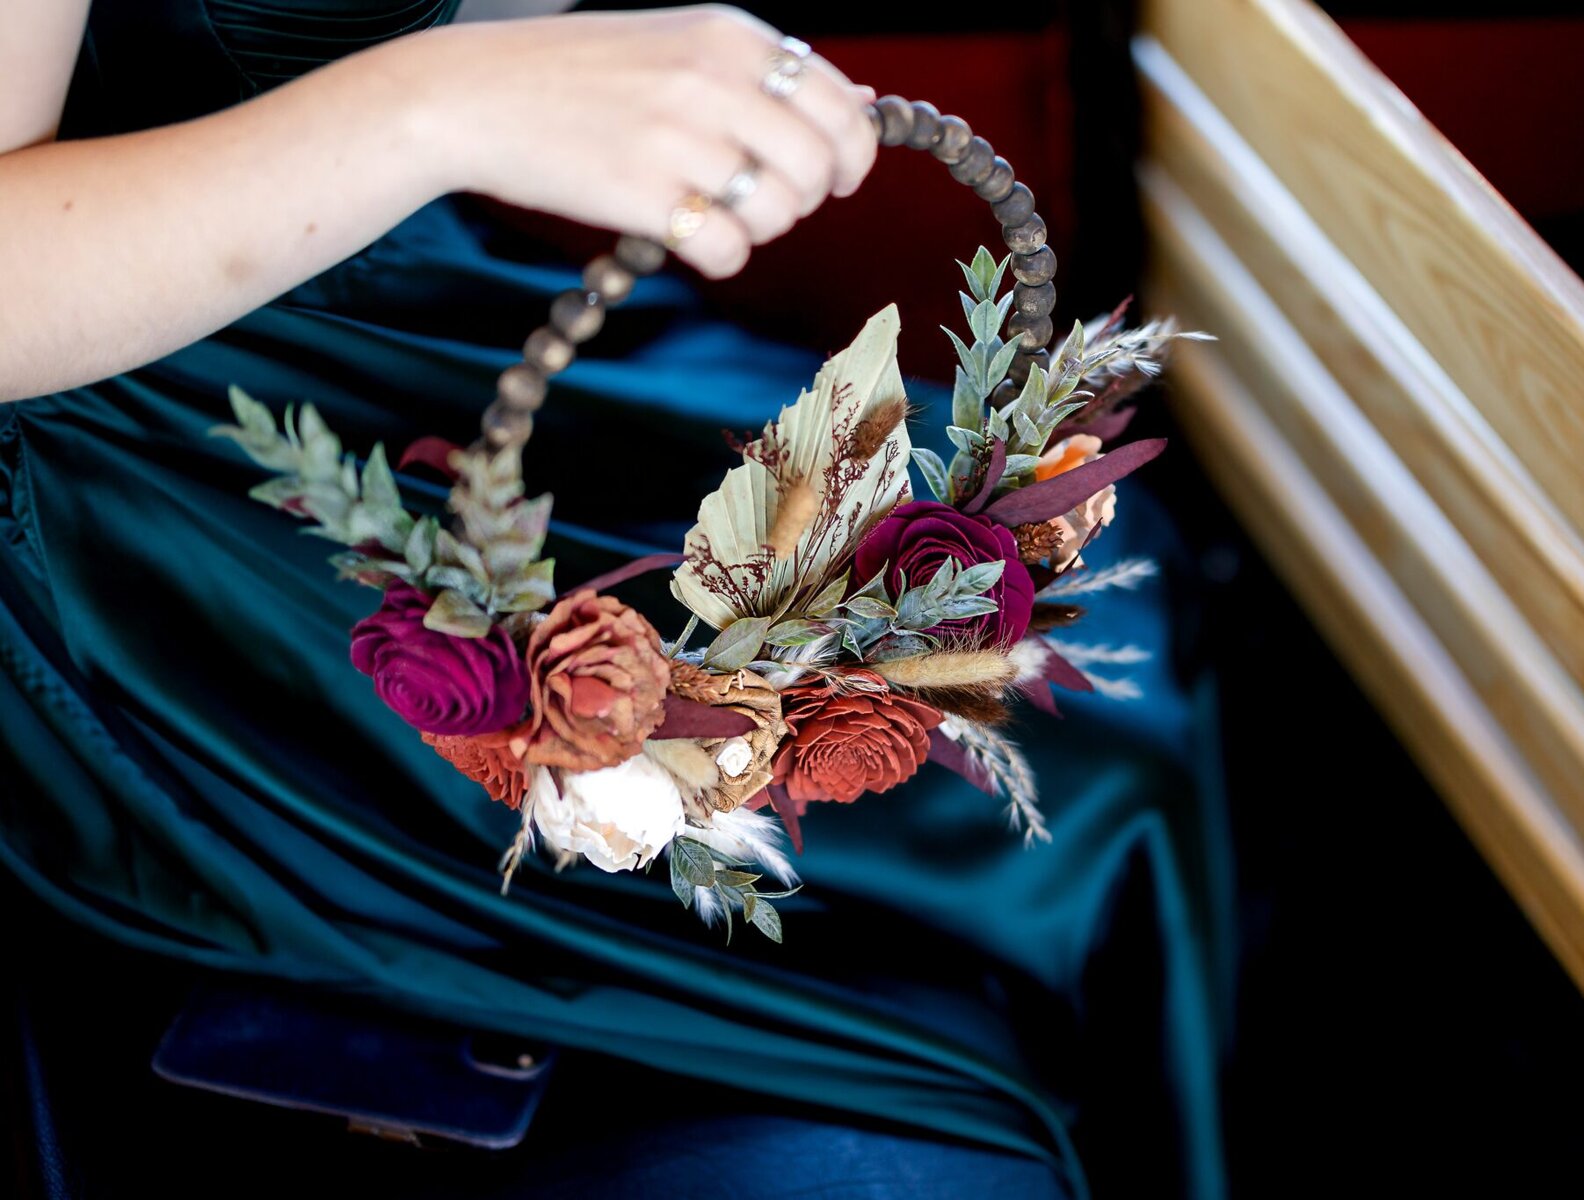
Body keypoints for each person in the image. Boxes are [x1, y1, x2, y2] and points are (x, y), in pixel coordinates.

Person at [0, 3, 1232, 1197]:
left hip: (400, 317)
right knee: (1049, 776)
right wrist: (445, 103)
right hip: (154, 469)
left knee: (1101, 616)